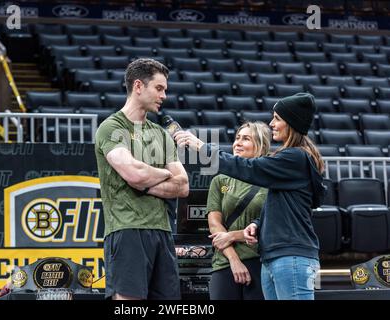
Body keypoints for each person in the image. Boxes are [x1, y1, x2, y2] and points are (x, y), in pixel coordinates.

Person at [174, 93, 325, 300]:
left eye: (277, 119)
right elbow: (282, 207)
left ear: (291, 123)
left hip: (291, 258)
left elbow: (246, 167)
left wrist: (201, 147)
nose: (272, 124)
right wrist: (257, 223)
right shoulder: (290, 161)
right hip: (273, 257)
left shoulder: (295, 157)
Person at [95, 58, 189, 300]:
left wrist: (146, 183)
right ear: (138, 86)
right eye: (159, 88)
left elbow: (183, 185)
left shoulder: (160, 133)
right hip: (127, 230)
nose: (164, 96)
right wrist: (165, 173)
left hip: (162, 230)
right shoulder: (111, 127)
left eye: (165, 90)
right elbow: (134, 173)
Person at [207, 122, 270, 300]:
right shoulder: (220, 180)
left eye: (246, 139)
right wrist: (234, 261)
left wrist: (232, 235)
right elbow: (214, 224)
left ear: (261, 145)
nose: (238, 143)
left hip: (260, 261)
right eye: (237, 138)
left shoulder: (271, 180)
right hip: (225, 261)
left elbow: (271, 223)